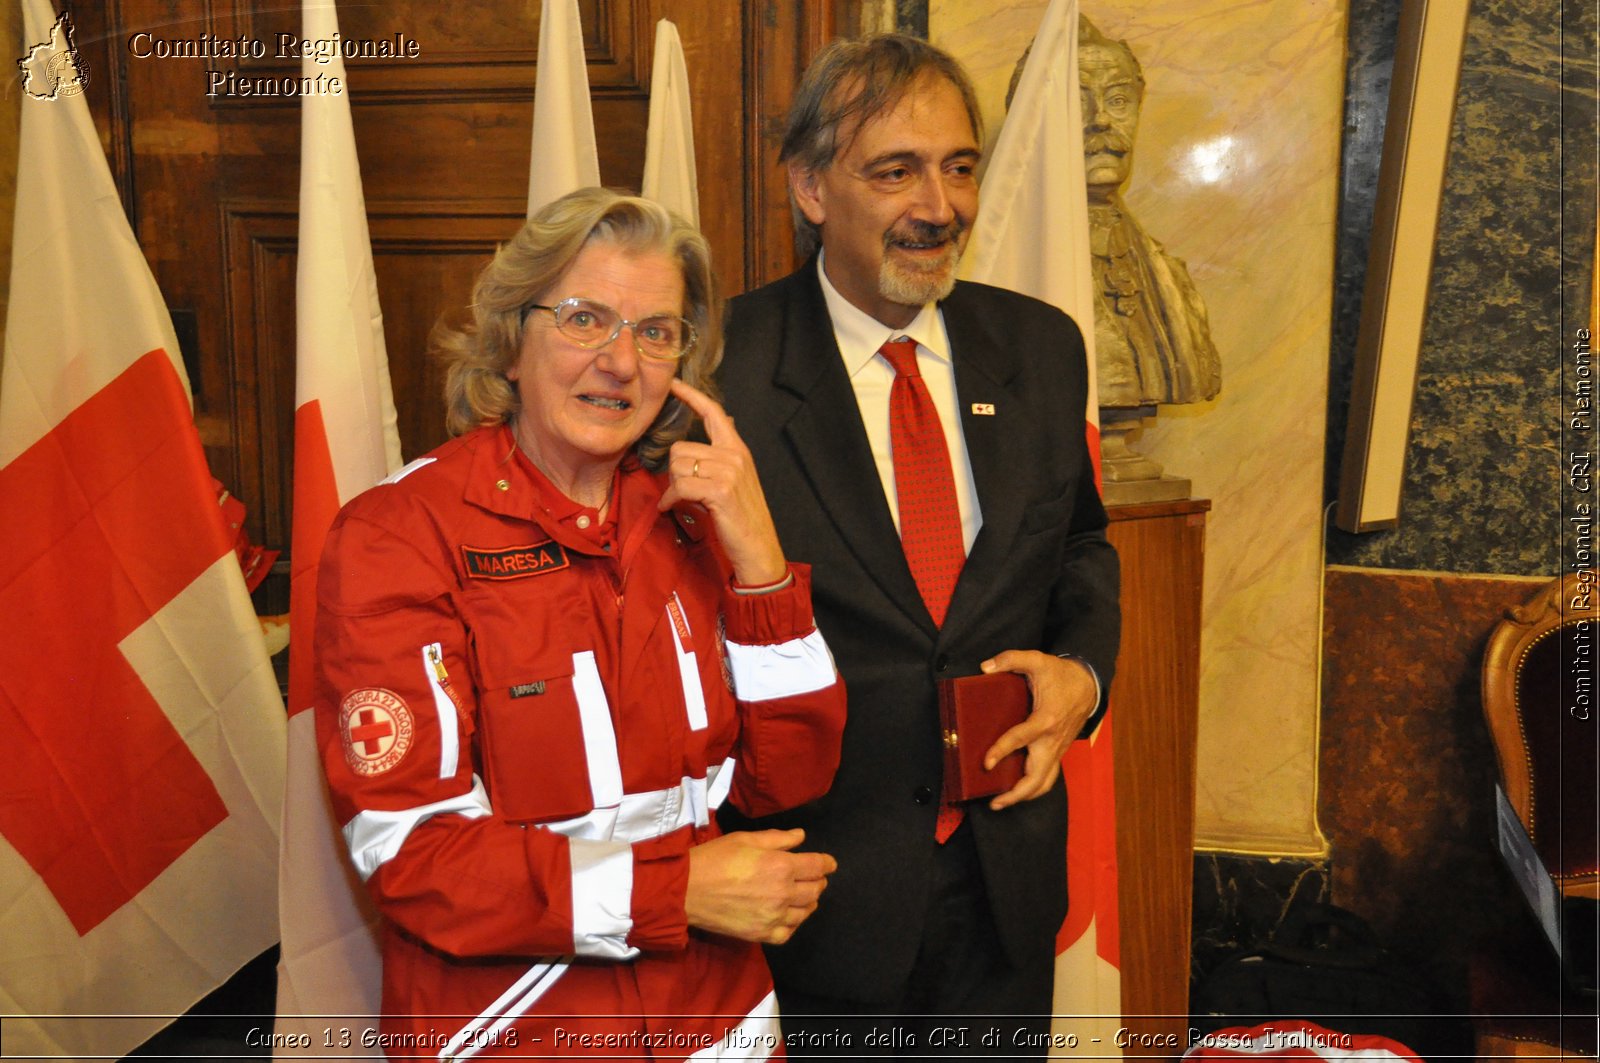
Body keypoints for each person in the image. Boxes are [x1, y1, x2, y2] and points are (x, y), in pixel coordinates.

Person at [313, 187, 847, 1060]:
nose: (620, 362)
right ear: (510, 340)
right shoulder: (398, 534)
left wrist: (761, 565)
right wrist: (673, 892)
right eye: (583, 318)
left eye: (656, 332)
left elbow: (786, 780)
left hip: (719, 1019)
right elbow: (415, 856)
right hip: (518, 1028)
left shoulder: (691, 514)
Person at [717, 34, 1122, 1055]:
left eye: (958, 165)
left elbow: (1078, 548)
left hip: (1003, 890)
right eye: (893, 170)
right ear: (811, 188)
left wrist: (1082, 673)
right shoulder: (724, 369)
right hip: (808, 900)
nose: (938, 206)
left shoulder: (1039, 347)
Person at [1011, 16, 1220, 408]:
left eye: (1118, 100)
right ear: (1029, 124)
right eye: (1077, 102)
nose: (1101, 120)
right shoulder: (1002, 275)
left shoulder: (1165, 272)